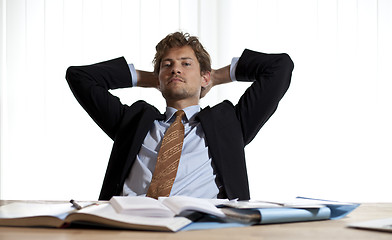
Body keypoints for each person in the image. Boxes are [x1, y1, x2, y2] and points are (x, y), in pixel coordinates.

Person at [66, 32, 294, 201]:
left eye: (186, 64)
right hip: (130, 226)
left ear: (204, 77)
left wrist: (215, 76)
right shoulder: (133, 122)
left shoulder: (230, 124)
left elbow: (280, 66)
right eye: (168, 65)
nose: (176, 69)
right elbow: (79, 77)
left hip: (202, 229)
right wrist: (152, 78)